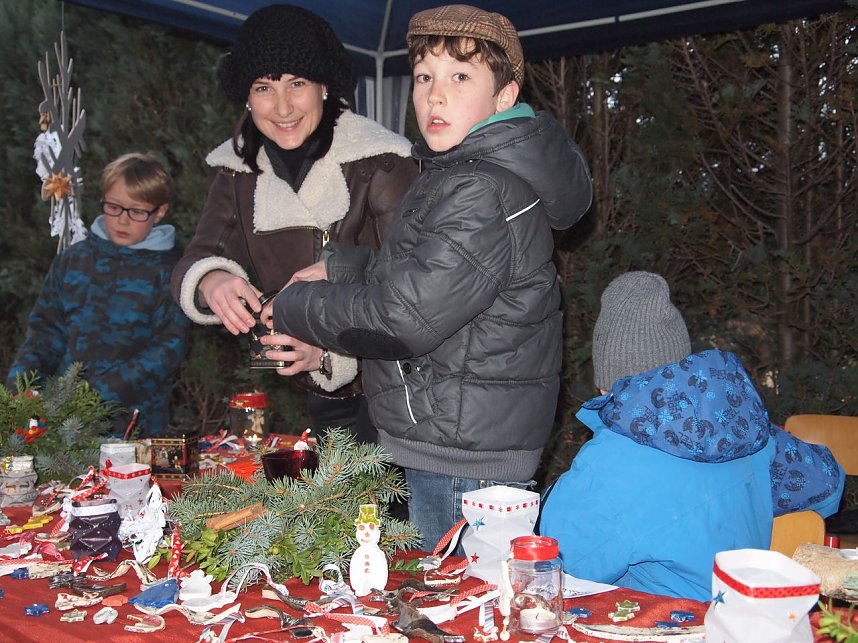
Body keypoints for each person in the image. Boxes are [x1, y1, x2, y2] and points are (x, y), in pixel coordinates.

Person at [266, 4, 593, 548]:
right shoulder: (459, 172)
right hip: (452, 441)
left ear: (504, 96)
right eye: (424, 77)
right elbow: (430, 278)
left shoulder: (481, 190)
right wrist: (343, 263)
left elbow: (402, 319)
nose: (435, 96)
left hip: (465, 462)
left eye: (460, 77)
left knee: (450, 615)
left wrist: (293, 306)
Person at [171, 4, 417, 443]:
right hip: (320, 394)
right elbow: (201, 254)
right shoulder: (237, 173)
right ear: (247, 97)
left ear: (324, 86)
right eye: (264, 87)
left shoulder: (382, 162)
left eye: (297, 84)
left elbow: (415, 286)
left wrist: (329, 350)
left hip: (402, 399)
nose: (282, 107)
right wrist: (213, 281)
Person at [538, 271, 845, 601]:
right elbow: (829, 482)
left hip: (659, 626)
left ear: (608, 382)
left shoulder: (611, 463)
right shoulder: (744, 432)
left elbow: (550, 568)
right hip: (741, 621)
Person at [7, 153, 188, 436]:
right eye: (114, 207)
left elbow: (167, 351)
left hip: (133, 424)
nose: (123, 221)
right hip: (58, 421)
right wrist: (21, 387)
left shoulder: (171, 273)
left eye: (137, 211)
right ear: (102, 199)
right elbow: (44, 331)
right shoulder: (73, 260)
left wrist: (93, 394)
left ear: (160, 211)